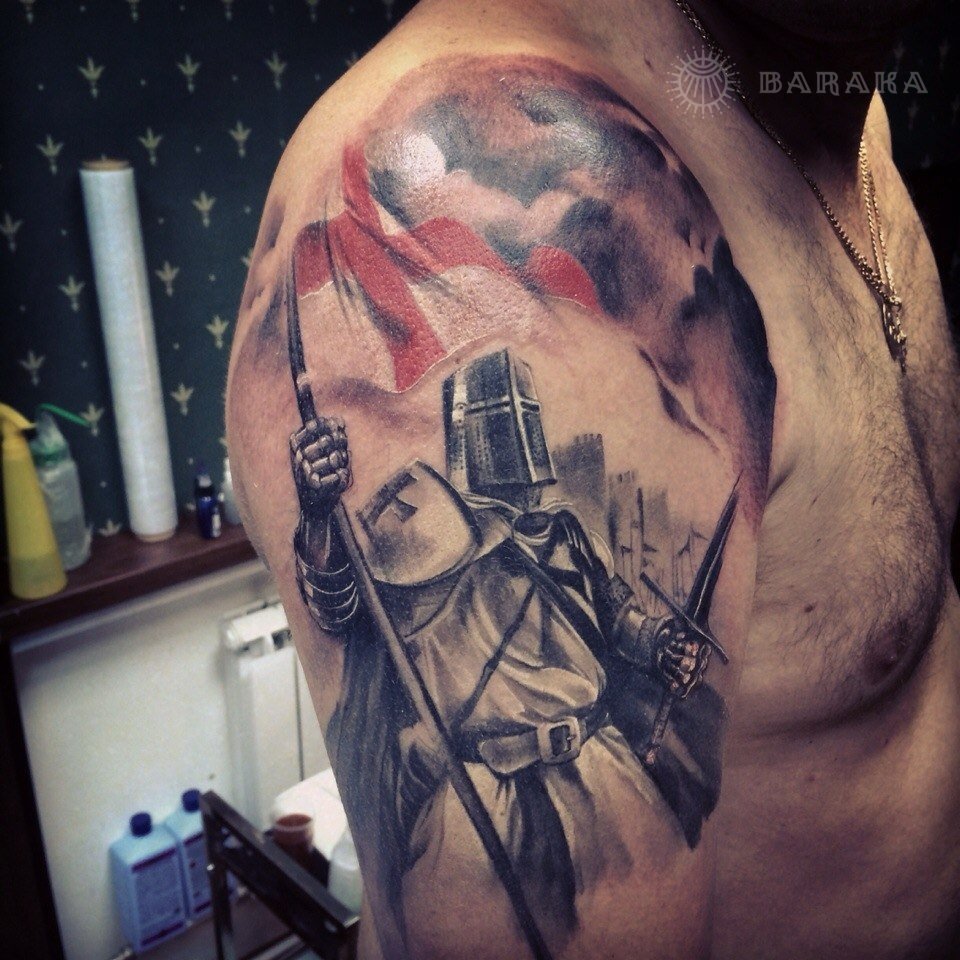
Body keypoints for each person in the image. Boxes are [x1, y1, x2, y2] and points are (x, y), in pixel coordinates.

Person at [227, 1, 960, 958]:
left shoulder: (841, 111)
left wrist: (663, 643)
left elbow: (605, 613)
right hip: (526, 813)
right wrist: (325, 511)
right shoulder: (431, 529)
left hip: (606, 774)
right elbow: (353, 602)